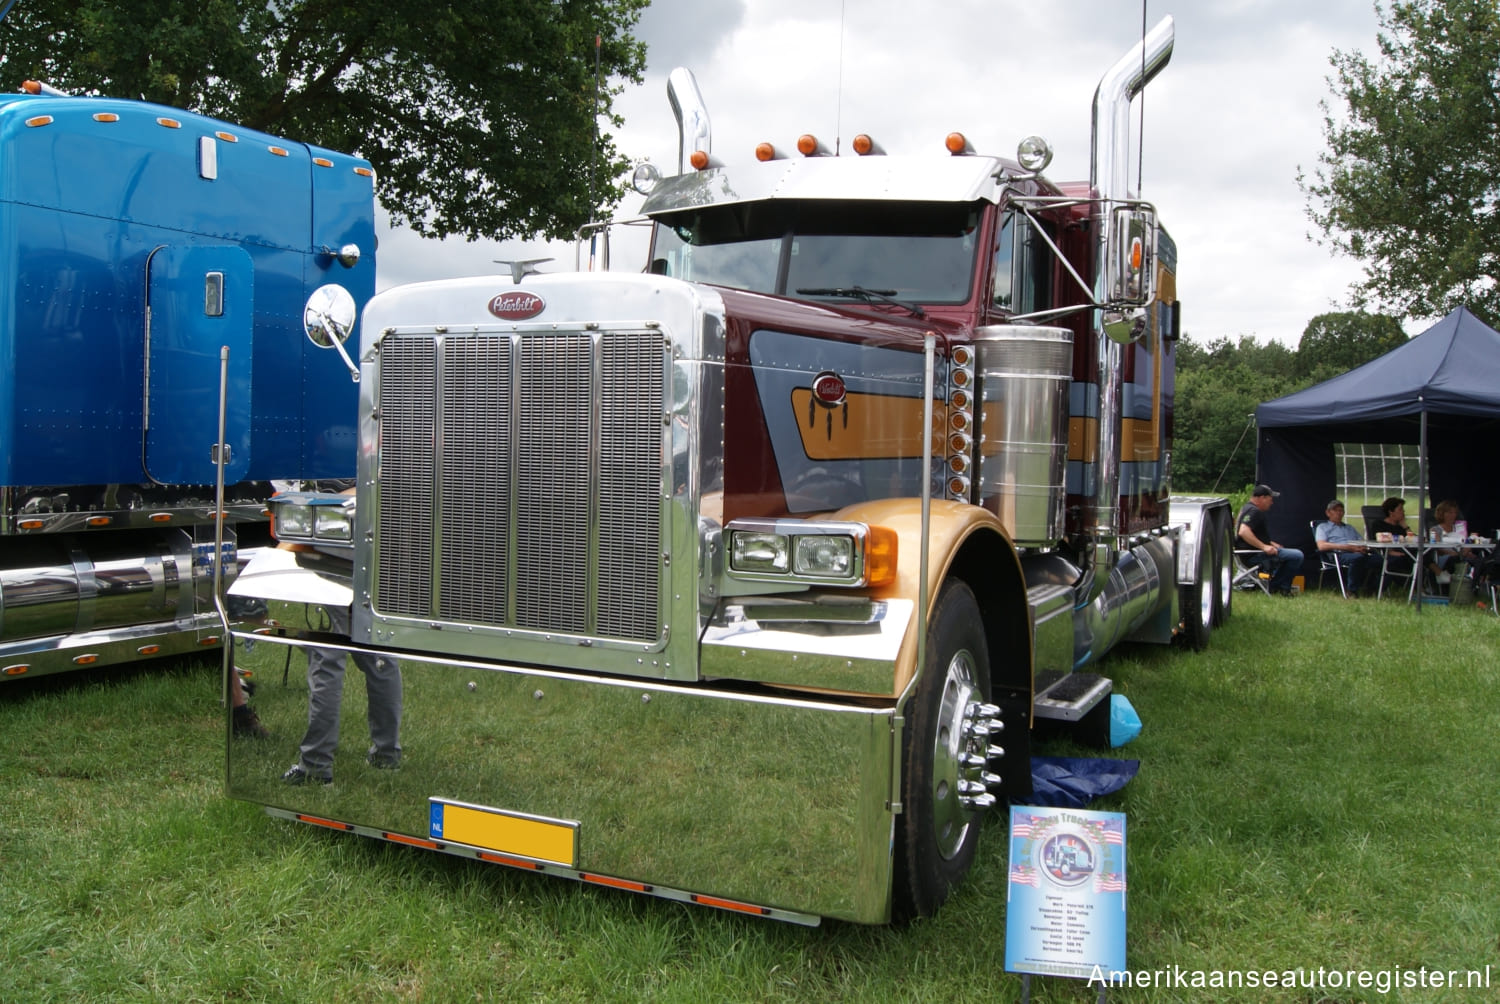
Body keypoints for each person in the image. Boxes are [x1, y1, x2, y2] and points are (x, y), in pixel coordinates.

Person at [282, 604, 403, 785]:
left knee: (327, 657)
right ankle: (386, 755)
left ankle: (316, 765)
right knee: (379, 654)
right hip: (376, 576)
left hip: (336, 577)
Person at [1236, 484, 1304, 596]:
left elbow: (1251, 533)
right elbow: (1243, 531)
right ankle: (1278, 587)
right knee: (1297, 556)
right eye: (1270, 499)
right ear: (1262, 498)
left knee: (1286, 553)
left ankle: (1275, 585)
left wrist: (1271, 543)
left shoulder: (1246, 508)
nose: (1271, 503)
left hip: (1246, 554)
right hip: (1254, 555)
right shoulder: (1254, 511)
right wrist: (1264, 547)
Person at [1314, 499, 1382, 597]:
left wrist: (1363, 548)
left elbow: (1362, 541)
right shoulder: (1323, 527)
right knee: (1358, 558)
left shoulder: (1350, 528)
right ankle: (1352, 591)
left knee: (1381, 560)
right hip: (1338, 554)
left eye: (1341, 510)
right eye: (1335, 510)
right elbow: (1322, 546)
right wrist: (1347, 548)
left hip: (1357, 552)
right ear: (1328, 513)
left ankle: (1374, 588)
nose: (1339, 513)